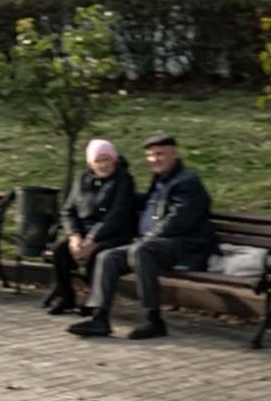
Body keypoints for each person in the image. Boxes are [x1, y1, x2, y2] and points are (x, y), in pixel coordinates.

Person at [67, 132, 216, 339]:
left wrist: (145, 239)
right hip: (155, 244)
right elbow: (150, 204)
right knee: (107, 256)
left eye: (160, 154)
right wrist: (121, 195)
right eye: (150, 155)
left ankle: (153, 320)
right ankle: (99, 318)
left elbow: (177, 222)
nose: (154, 159)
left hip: (185, 246)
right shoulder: (162, 178)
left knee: (141, 250)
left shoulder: (187, 182)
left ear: (174, 153)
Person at [42, 139, 136, 315]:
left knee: (96, 254)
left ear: (114, 160)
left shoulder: (124, 180)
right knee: (60, 251)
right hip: (83, 233)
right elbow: (68, 210)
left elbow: (118, 215)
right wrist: (74, 236)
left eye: (107, 159)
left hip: (113, 234)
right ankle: (65, 297)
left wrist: (92, 239)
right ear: (90, 163)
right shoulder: (82, 179)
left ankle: (94, 301)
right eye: (98, 160)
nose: (103, 165)